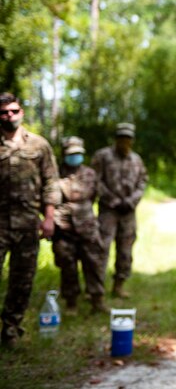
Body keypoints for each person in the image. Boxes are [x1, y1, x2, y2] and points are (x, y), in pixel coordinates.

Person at [0, 92, 60, 347]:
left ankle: (11, 329)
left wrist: (48, 218)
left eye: (13, 111)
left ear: (21, 112)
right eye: (4, 112)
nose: (9, 116)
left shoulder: (38, 145)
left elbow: (50, 182)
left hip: (28, 223)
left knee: (22, 279)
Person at [52, 136, 107, 314]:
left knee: (94, 263)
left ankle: (97, 299)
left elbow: (93, 197)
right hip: (63, 227)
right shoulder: (54, 174)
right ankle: (71, 302)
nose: (74, 157)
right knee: (67, 265)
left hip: (88, 227)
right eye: (71, 153)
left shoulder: (90, 174)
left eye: (77, 153)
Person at [92, 122, 147, 299]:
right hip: (109, 210)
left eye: (128, 138)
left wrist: (131, 201)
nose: (124, 141)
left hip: (128, 212)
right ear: (116, 138)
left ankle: (119, 285)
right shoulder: (103, 156)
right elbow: (94, 181)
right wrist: (113, 200)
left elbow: (142, 182)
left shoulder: (136, 159)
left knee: (126, 250)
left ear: (132, 140)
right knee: (101, 248)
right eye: (121, 137)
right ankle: (96, 289)